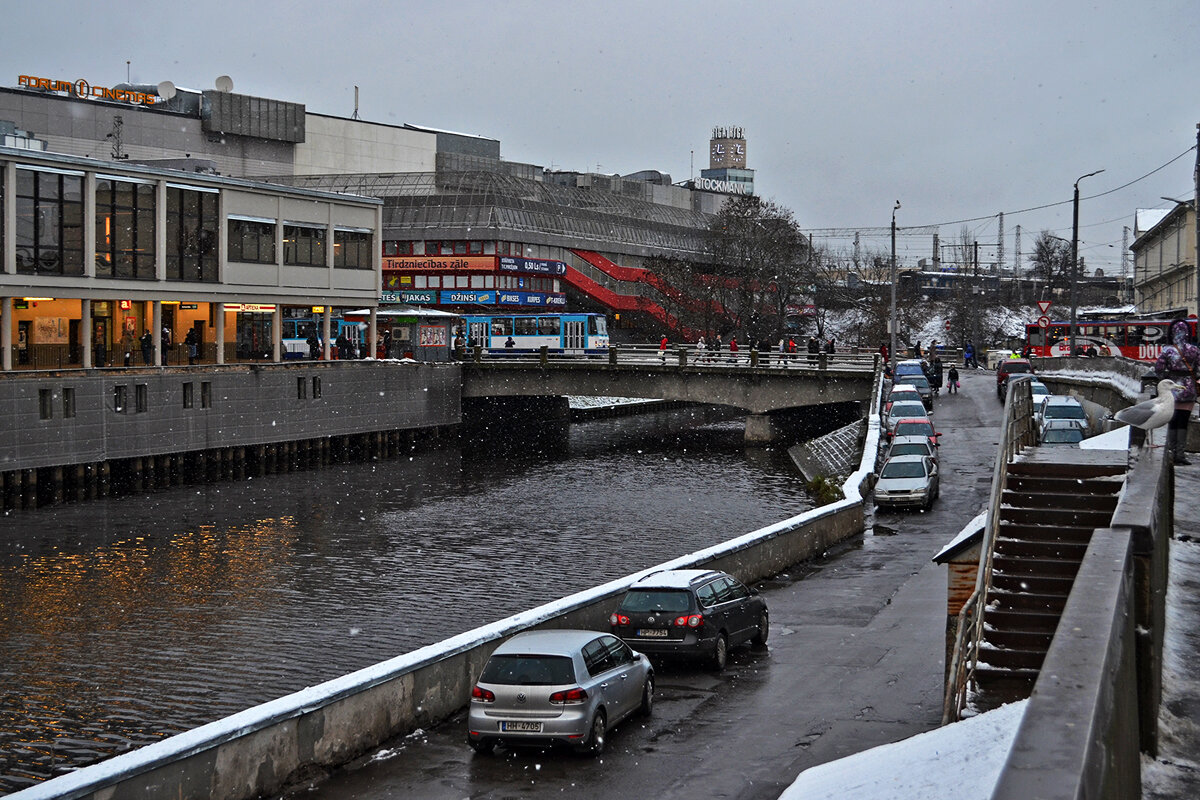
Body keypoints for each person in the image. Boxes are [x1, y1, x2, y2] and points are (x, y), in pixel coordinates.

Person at [1153, 319, 1199, 465]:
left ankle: (1171, 453)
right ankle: (1180, 454)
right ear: (1187, 333)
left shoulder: (1167, 350)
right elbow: (1198, 371)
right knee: (1183, 422)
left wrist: (1167, 376)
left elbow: (1159, 369)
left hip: (1172, 391)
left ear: (1172, 333)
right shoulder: (1194, 350)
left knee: (1173, 421)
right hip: (1188, 390)